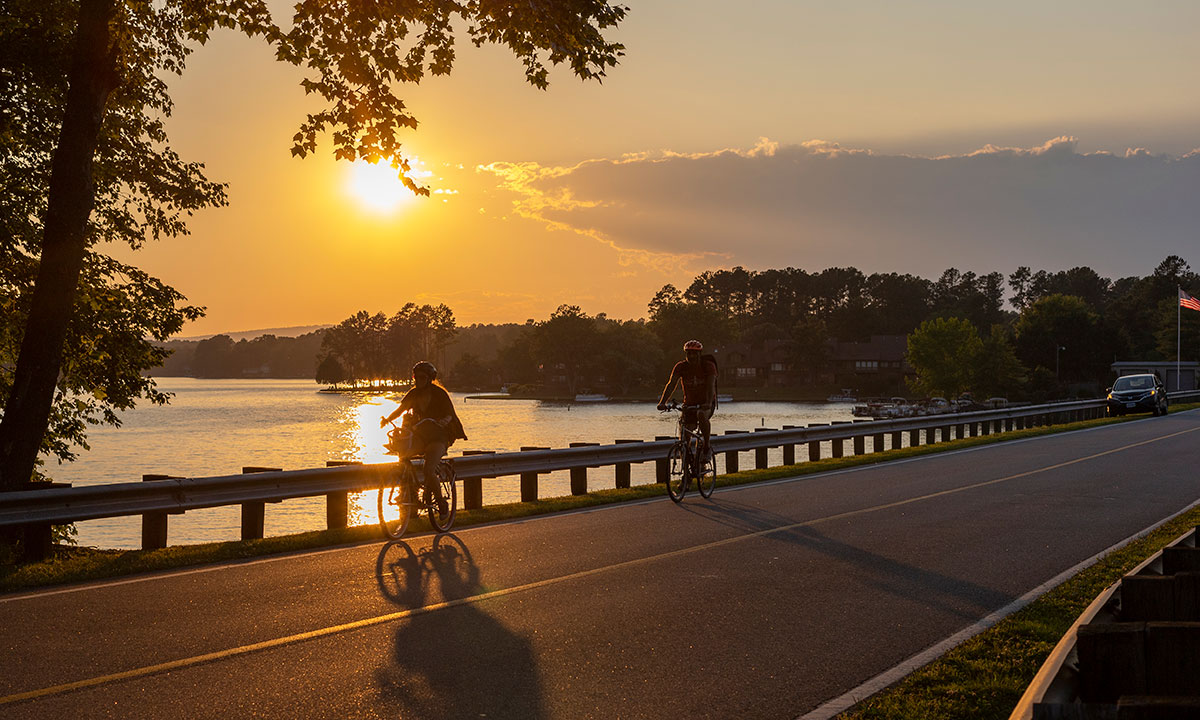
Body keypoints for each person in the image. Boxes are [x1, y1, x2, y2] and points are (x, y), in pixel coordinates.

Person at [380, 361, 467, 511]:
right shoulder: (413, 394)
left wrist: (444, 420)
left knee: (428, 469)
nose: (418, 381)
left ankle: (441, 502)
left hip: (438, 437)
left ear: (430, 378)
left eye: (422, 377)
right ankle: (411, 494)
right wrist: (387, 419)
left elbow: (449, 414)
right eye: (416, 377)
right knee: (404, 455)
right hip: (421, 436)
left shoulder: (439, 394)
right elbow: (401, 409)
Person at [656, 340, 717, 453]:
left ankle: (706, 446)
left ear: (700, 354)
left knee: (701, 414)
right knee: (685, 429)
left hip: (706, 403)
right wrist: (663, 402)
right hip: (689, 404)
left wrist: (708, 403)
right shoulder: (681, 367)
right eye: (689, 353)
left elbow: (710, 385)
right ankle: (685, 454)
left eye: (694, 353)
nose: (691, 356)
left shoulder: (708, 366)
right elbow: (671, 384)